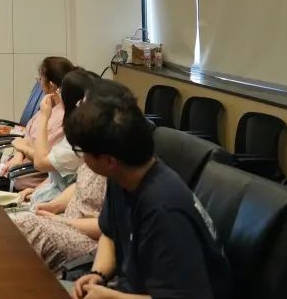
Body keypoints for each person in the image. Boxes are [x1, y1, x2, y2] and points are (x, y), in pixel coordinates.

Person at [66, 94, 231, 299]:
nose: (82, 158)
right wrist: (98, 274)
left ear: (109, 161)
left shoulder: (163, 210)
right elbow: (110, 234)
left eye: (82, 151)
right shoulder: (121, 177)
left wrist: (111, 297)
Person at [11, 75, 132, 273]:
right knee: (12, 225)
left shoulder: (117, 162)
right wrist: (54, 205)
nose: (79, 107)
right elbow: (80, 185)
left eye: (84, 103)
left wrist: (63, 221)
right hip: (66, 221)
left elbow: (110, 227)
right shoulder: (95, 145)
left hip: (89, 241)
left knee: (23, 227)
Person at [0, 56, 75, 187]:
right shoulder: (48, 107)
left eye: (40, 78)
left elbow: (42, 156)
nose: (38, 81)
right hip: (16, 167)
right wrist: (18, 155)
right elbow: (27, 136)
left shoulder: (62, 118)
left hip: (27, 176)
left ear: (51, 85)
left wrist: (22, 147)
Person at [19, 68, 98, 205]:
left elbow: (41, 162)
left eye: (61, 90)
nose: (58, 93)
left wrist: (44, 117)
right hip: (53, 194)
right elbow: (58, 169)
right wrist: (37, 190)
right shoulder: (74, 127)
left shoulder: (81, 138)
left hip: (63, 203)